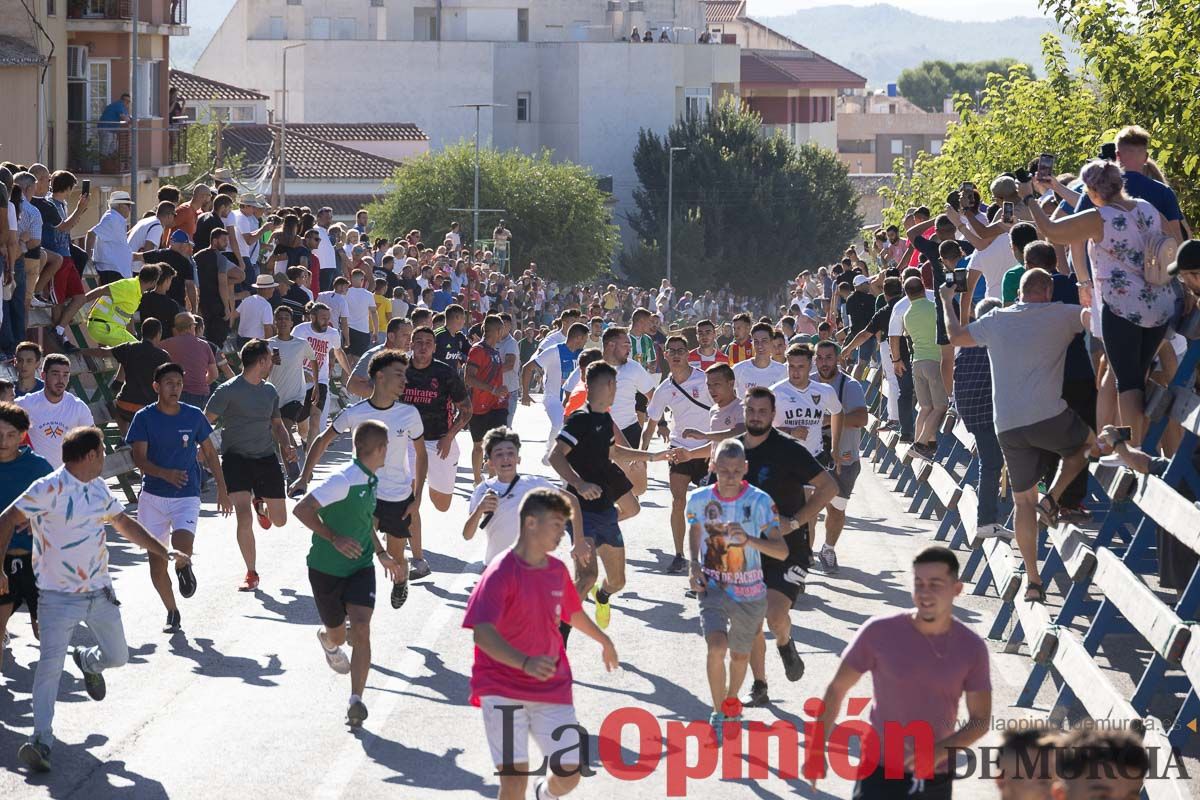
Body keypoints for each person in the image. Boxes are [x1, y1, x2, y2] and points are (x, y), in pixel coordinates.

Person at [3, 426, 174, 773]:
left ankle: (89, 662)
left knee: (118, 657)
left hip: (100, 594)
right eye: (103, 453)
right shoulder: (46, 488)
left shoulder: (97, 488)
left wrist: (163, 550)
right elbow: (5, 519)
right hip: (56, 598)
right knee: (48, 668)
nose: (105, 459)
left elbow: (125, 524)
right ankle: (42, 740)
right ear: (92, 454)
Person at [941, 268, 1094, 603]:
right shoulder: (1061, 314)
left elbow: (955, 337)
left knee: (1022, 502)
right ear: (1048, 290)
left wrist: (946, 300)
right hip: (1049, 416)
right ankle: (1053, 497)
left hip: (1007, 425)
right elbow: (1094, 318)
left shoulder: (996, 318)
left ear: (1020, 292)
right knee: (1088, 443)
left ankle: (1034, 583)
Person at [462, 487, 618, 800]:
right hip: (502, 687)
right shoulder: (499, 573)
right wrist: (523, 662)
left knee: (569, 771)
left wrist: (604, 640)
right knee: (513, 780)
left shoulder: (556, 570)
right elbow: (483, 633)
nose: (563, 533)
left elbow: (571, 612)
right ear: (531, 523)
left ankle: (544, 794)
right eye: (557, 525)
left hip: (550, 685)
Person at [812, 546, 991, 799]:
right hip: (878, 769)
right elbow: (837, 688)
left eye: (936, 584)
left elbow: (981, 718)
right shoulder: (879, 632)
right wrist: (817, 750)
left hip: (934, 777)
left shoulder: (971, 647)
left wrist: (939, 751)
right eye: (919, 583)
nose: (925, 593)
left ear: (957, 589)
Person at [1026, 159, 1175, 445]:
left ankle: (1133, 452)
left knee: (1128, 383)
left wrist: (1028, 197)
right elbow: (1173, 243)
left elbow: (1051, 230)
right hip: (1159, 308)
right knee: (1141, 374)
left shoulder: (1099, 217)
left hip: (1121, 311)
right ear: (1120, 183)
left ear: (1092, 190)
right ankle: (1139, 447)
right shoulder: (1148, 208)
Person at [293, 350, 427, 609]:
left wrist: (417, 496)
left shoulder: (409, 414)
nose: (404, 381)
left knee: (397, 558)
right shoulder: (354, 412)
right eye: (399, 374)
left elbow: (421, 455)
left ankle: (402, 579)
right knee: (358, 551)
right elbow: (323, 441)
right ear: (379, 375)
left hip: (398, 496)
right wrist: (304, 476)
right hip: (364, 494)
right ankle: (353, 607)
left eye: (405, 376)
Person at [294, 419, 404, 727]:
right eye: (387, 448)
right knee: (339, 634)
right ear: (380, 449)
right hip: (325, 569)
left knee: (362, 627)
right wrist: (334, 537)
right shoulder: (343, 480)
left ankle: (356, 700)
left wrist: (380, 552)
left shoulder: (371, 479)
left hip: (360, 567)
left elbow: (365, 520)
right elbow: (301, 509)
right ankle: (329, 640)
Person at [734, 387, 836, 707]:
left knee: (775, 614)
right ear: (744, 411)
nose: (756, 416)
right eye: (751, 410)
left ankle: (785, 641)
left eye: (763, 412)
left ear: (773, 415)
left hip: (789, 549)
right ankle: (760, 685)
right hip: (747, 550)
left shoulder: (789, 450)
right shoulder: (732, 451)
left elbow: (828, 488)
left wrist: (794, 521)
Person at [549, 361, 666, 632]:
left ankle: (603, 596)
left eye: (614, 384)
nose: (614, 389)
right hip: (579, 510)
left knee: (617, 582)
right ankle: (557, 640)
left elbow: (614, 454)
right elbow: (555, 456)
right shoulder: (580, 419)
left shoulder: (604, 418)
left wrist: (651, 456)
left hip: (604, 510)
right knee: (586, 577)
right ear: (596, 386)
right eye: (610, 384)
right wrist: (578, 483)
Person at [686, 438, 788, 740]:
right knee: (717, 647)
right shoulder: (700, 499)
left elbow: (781, 551)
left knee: (739, 657)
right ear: (713, 466)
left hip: (750, 592)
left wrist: (750, 540)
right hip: (713, 586)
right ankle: (719, 711)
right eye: (724, 470)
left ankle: (731, 702)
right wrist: (693, 563)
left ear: (745, 468)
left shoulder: (760, 502)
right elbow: (695, 529)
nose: (730, 476)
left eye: (736, 470)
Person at [126, 362, 231, 632]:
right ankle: (172, 611)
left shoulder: (194, 415)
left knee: (182, 547)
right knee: (156, 564)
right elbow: (139, 458)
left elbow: (210, 453)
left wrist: (222, 488)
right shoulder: (144, 418)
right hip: (152, 497)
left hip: (186, 494)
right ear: (156, 387)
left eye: (180, 383)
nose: (176, 388)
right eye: (170, 383)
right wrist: (164, 474)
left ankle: (184, 566)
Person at [204, 339, 297, 592]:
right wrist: (201, 450)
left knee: (280, 521)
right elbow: (204, 423)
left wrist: (287, 445)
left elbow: (277, 424)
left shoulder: (269, 391)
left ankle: (262, 506)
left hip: (266, 458)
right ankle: (251, 572)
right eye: (270, 358)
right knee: (243, 518)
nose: (272, 363)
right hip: (236, 459)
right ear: (262, 361)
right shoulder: (227, 390)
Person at [403, 325, 472, 578]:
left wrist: (449, 435)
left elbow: (467, 409)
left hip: (439, 442)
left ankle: (430, 485)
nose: (422, 347)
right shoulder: (400, 369)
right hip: (409, 442)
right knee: (409, 498)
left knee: (441, 504)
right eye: (418, 341)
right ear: (410, 343)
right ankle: (416, 555)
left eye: (428, 343)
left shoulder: (445, 373)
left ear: (434, 347)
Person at [463, 427, 584, 567]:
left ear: (518, 459)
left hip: (531, 569)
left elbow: (572, 501)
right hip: (496, 569)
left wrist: (579, 541)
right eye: (499, 454)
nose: (506, 458)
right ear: (489, 462)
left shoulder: (534, 484)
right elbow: (467, 535)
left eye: (510, 453)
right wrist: (479, 510)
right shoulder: (482, 490)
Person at [643, 334, 713, 573]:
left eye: (680, 350)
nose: (675, 355)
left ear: (688, 353)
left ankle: (708, 555)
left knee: (708, 505)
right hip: (678, 449)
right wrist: (641, 456)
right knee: (678, 502)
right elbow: (651, 423)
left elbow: (724, 406)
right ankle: (679, 554)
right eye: (671, 351)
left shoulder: (705, 380)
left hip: (706, 450)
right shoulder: (664, 388)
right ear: (665, 355)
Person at [0, 402, 54, 672]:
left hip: (37, 562)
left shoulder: (38, 467)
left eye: (10, 435)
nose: (3, 441)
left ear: (22, 436)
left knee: (44, 633)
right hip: (2, 561)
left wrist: (39, 523)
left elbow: (62, 507)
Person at [811, 340, 867, 572]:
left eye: (829, 358)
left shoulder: (850, 386)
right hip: (812, 456)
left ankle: (828, 548)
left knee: (836, 508)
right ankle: (804, 554)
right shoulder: (807, 382)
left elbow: (861, 419)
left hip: (843, 457)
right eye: (820, 358)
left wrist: (828, 419)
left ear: (838, 359)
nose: (824, 363)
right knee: (809, 508)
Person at [81, 317, 171, 432]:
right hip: (147, 408)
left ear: (142, 332)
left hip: (125, 405)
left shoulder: (129, 347)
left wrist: (81, 350)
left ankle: (125, 437)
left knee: (115, 408)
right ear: (159, 334)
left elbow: (103, 352)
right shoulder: (163, 356)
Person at [520, 322, 587, 462]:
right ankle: (550, 450)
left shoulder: (583, 354)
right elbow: (527, 367)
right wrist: (525, 393)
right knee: (558, 424)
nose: (585, 342)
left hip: (573, 399)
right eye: (585, 339)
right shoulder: (553, 351)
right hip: (553, 398)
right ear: (578, 338)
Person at [15, 354, 93, 468]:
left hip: (66, 478)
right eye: (55, 374)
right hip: (35, 477)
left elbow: (93, 442)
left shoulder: (78, 407)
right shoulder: (26, 403)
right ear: (43, 375)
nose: (61, 380)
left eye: (65, 375)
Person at [901, 273, 946, 459]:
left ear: (907, 294)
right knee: (940, 407)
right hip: (934, 361)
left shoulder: (907, 315)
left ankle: (922, 443)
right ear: (923, 289)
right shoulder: (935, 308)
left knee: (925, 407)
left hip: (917, 362)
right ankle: (921, 444)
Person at [771, 343, 843, 458]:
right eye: (791, 366)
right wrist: (790, 432)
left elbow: (838, 413)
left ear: (810, 366)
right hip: (783, 459)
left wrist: (835, 446)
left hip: (815, 457)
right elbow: (760, 429)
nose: (795, 371)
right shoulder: (774, 393)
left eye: (800, 366)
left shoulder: (825, 391)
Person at [293, 303, 351, 446]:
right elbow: (290, 352)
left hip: (321, 381)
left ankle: (309, 462)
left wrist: (351, 373)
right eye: (323, 318)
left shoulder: (332, 333)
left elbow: (338, 352)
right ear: (312, 317)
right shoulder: (300, 330)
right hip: (300, 380)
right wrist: (300, 372)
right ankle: (306, 439)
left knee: (316, 422)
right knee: (302, 428)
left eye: (328, 318)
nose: (327, 321)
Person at [465, 315, 511, 484]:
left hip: (497, 405)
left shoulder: (495, 352)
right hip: (479, 406)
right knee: (478, 446)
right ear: (498, 330)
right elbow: (468, 378)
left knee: (497, 443)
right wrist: (493, 389)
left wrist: (501, 391)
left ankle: (492, 481)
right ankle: (477, 481)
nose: (504, 333)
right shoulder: (478, 350)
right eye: (503, 329)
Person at [80, 264, 161, 347]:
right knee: (140, 350)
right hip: (103, 327)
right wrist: (81, 301)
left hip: (109, 328)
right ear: (153, 282)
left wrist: (133, 335)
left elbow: (127, 316)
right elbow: (102, 290)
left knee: (136, 349)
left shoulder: (137, 291)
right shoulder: (128, 286)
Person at [161, 312, 218, 408]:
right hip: (199, 394)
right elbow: (214, 374)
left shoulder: (164, 345)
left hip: (173, 393)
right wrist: (200, 382)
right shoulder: (204, 345)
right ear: (192, 326)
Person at [88, 191, 135, 284]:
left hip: (116, 270)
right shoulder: (112, 218)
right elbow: (91, 233)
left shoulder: (116, 218)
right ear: (119, 205)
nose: (130, 209)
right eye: (128, 205)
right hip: (112, 271)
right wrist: (88, 258)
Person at [732, 322, 786, 398]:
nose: (760, 345)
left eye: (764, 341)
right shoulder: (739, 369)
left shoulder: (782, 371)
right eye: (756, 341)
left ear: (771, 342)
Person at [235, 275, 277, 348]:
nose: (273, 290)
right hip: (256, 343)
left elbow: (234, 315)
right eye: (272, 288)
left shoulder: (247, 300)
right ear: (266, 289)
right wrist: (269, 347)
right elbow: (267, 328)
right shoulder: (266, 305)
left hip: (241, 340)